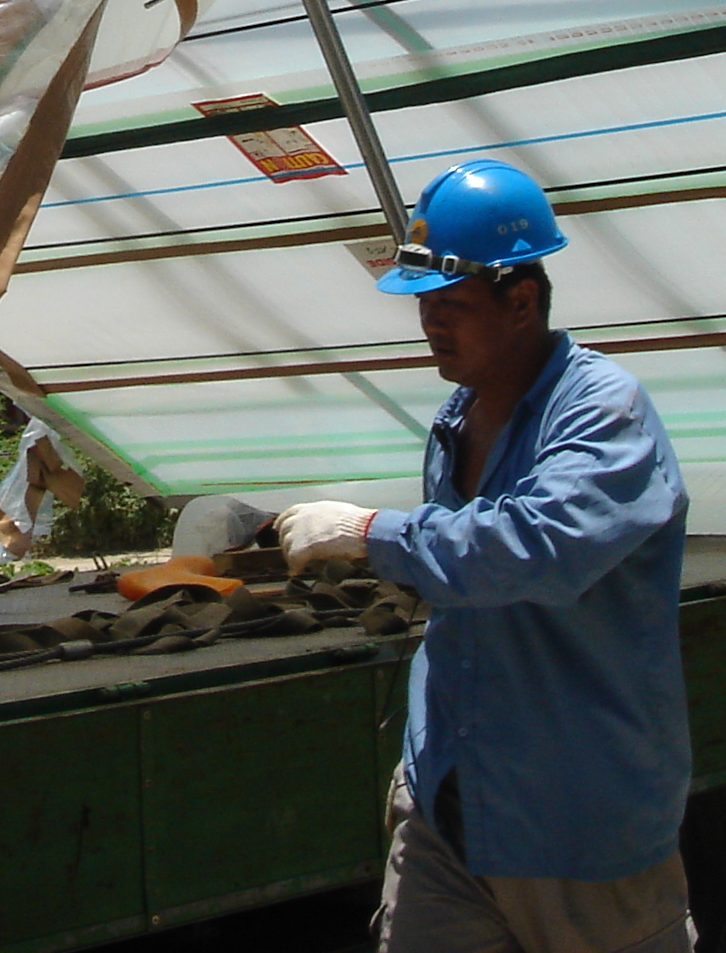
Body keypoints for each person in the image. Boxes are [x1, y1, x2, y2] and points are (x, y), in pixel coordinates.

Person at [273, 160, 691, 953]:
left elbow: (535, 547)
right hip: (450, 809)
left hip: (575, 825)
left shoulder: (604, 410)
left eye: (451, 304)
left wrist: (368, 533)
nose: (431, 323)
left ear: (522, 299)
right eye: (424, 304)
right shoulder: (455, 419)